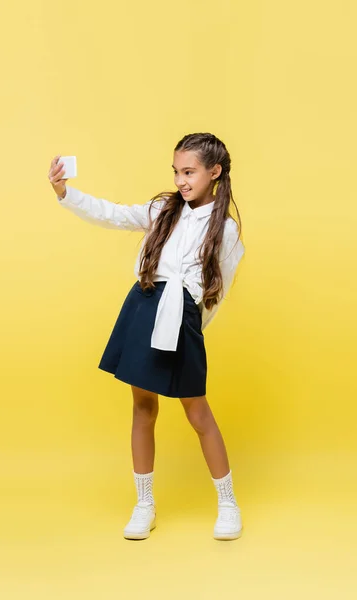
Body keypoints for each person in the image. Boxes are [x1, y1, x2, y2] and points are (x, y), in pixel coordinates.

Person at [48, 132, 245, 541]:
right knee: (142, 406)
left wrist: (191, 327)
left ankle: (228, 504)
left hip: (183, 316)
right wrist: (66, 192)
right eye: (176, 171)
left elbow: (217, 292)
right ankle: (144, 504)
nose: (180, 181)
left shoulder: (224, 230)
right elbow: (113, 214)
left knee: (198, 413)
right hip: (144, 304)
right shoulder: (162, 210)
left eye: (189, 172)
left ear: (215, 172)